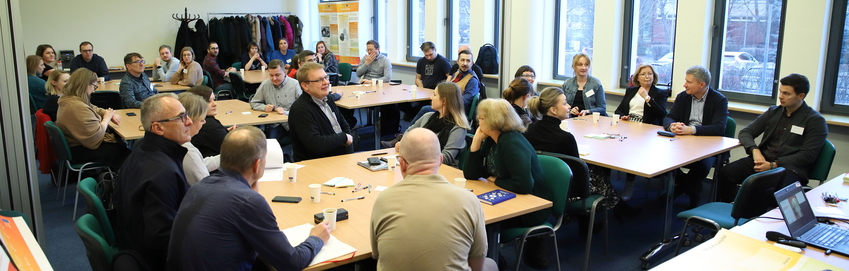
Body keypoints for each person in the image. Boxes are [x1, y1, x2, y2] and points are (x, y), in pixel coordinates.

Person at [168, 126, 330, 271]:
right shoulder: (246, 201)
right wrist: (316, 238)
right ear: (257, 164)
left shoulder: (201, 185)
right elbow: (292, 263)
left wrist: (251, 193)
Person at [371, 128, 496, 271]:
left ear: (402, 164)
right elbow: (477, 260)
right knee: (491, 264)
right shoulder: (469, 200)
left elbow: (377, 254)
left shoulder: (383, 199)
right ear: (441, 161)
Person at [524, 87, 640, 225]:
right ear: (553, 110)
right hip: (567, 188)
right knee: (599, 174)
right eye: (565, 103)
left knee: (596, 171)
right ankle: (596, 215)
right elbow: (578, 173)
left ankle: (615, 208)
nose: (569, 107)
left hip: (539, 184)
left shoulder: (529, 130)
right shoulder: (565, 138)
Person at [463, 98, 551, 268]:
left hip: (533, 205)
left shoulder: (512, 142)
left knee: (477, 222)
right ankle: (490, 260)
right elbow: (471, 174)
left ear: (493, 120)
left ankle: (495, 262)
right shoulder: (491, 139)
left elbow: (524, 185)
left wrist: (497, 180)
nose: (477, 121)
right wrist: (475, 144)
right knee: (472, 219)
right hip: (512, 197)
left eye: (481, 118)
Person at [717, 74, 827, 202]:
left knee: (764, 187)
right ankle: (732, 211)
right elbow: (746, 132)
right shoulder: (774, 112)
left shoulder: (815, 121)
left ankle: (756, 217)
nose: (780, 96)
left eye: (786, 93)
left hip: (790, 168)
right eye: (780, 92)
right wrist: (755, 151)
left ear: (801, 96)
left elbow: (807, 155)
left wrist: (774, 165)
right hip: (762, 160)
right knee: (726, 173)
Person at [115, 93, 193, 269]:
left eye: (186, 114)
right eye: (181, 117)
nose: (189, 121)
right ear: (158, 128)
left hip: (133, 246)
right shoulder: (163, 172)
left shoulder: (142, 148)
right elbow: (162, 240)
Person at [662, 65, 728, 208]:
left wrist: (690, 130)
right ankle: (693, 188)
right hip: (683, 143)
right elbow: (669, 117)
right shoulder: (683, 97)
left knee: (702, 166)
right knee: (663, 159)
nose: (684, 85)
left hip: (709, 146)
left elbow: (719, 128)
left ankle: (679, 190)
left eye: (689, 82)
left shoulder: (719, 100)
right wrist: (671, 126)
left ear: (702, 84)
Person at [55, 68, 130, 169]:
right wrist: (106, 119)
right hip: (81, 150)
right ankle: (117, 181)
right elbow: (95, 139)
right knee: (126, 153)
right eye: (94, 86)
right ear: (85, 85)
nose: (94, 91)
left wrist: (109, 113)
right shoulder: (77, 106)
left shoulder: (69, 99)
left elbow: (93, 108)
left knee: (121, 146)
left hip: (76, 146)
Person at [614, 64, 668, 201]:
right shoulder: (631, 91)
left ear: (654, 76)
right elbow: (619, 111)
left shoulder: (660, 93)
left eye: (649, 73)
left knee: (632, 149)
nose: (647, 76)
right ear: (637, 77)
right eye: (643, 74)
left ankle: (629, 184)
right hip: (629, 127)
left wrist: (647, 98)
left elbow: (662, 114)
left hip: (648, 131)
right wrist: (623, 116)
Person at [390, 82, 469, 168]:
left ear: (444, 101)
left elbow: (446, 158)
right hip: (419, 164)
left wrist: (416, 155)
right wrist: (402, 143)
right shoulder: (427, 117)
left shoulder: (458, 127)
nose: (431, 98)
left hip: (442, 170)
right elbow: (409, 131)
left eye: (434, 95)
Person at [289, 62, 353, 161]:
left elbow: (344, 125)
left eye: (326, 77)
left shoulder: (328, 99)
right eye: (319, 80)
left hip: (340, 158)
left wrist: (347, 149)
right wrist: (344, 138)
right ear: (305, 86)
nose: (326, 82)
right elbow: (316, 144)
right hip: (317, 163)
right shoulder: (300, 109)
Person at [250, 59, 302, 143]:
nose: (274, 78)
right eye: (271, 75)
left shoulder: (295, 84)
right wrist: (264, 107)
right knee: (269, 144)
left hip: (292, 123)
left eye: (277, 75)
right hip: (275, 124)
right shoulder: (265, 84)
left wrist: (285, 112)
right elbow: (254, 102)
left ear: (285, 72)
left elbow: (302, 108)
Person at [356, 40, 399, 135]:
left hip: (379, 87)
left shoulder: (385, 60)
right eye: (368, 50)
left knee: (389, 106)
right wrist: (367, 63)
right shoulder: (365, 59)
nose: (369, 52)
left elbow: (387, 78)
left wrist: (372, 81)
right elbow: (358, 73)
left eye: (371, 50)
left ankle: (385, 129)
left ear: (378, 49)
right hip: (364, 86)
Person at [400, 41, 451, 121]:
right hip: (423, 91)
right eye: (426, 55)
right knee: (402, 103)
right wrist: (421, 88)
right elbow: (418, 78)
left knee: (422, 108)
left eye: (430, 55)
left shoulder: (443, 61)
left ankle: (415, 123)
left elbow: (450, 77)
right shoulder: (421, 61)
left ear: (435, 50)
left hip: (435, 92)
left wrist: (440, 90)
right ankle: (416, 119)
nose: (428, 58)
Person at [177, 92, 220, 186]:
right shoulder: (186, 149)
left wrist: (229, 157)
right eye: (202, 120)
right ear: (189, 121)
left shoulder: (175, 140)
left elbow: (198, 165)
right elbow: (206, 188)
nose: (204, 122)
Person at [187, 85, 237, 157]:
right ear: (197, 104)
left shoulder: (195, 120)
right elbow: (235, 150)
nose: (215, 104)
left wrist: (223, 132)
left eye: (214, 99)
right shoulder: (209, 125)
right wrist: (235, 137)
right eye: (209, 101)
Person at [450, 49, 481, 114]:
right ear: (457, 61)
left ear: (472, 63)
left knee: (425, 109)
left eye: (468, 61)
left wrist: (447, 102)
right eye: (462, 60)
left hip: (459, 111)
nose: (465, 63)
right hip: (449, 106)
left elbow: (465, 100)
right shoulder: (456, 74)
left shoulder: (472, 80)